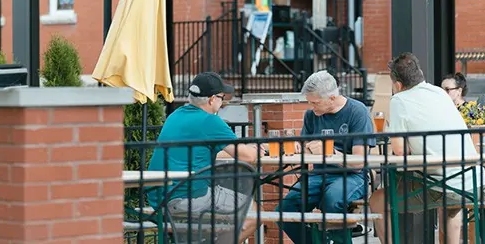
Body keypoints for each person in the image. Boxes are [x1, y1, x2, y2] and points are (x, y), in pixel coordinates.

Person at [370, 53, 482, 244]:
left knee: (377, 200)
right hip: (473, 181)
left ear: (397, 85)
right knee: (449, 201)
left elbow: (398, 150)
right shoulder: (439, 92)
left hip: (444, 184)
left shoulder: (399, 100)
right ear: (419, 74)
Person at [148, 72, 259, 242]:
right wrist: (261, 149)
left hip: (159, 198)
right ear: (212, 99)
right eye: (222, 97)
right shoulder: (209, 121)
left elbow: (206, 150)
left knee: (222, 220)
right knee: (255, 214)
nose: (223, 103)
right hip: (188, 196)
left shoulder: (175, 116)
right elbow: (248, 157)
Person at [277, 70, 375, 244]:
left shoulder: (357, 111)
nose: (311, 106)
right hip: (318, 175)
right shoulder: (311, 115)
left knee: (333, 200)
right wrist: (301, 148)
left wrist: (329, 152)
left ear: (331, 98)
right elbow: (306, 149)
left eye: (315, 102)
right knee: (284, 210)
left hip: (351, 175)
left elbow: (359, 162)